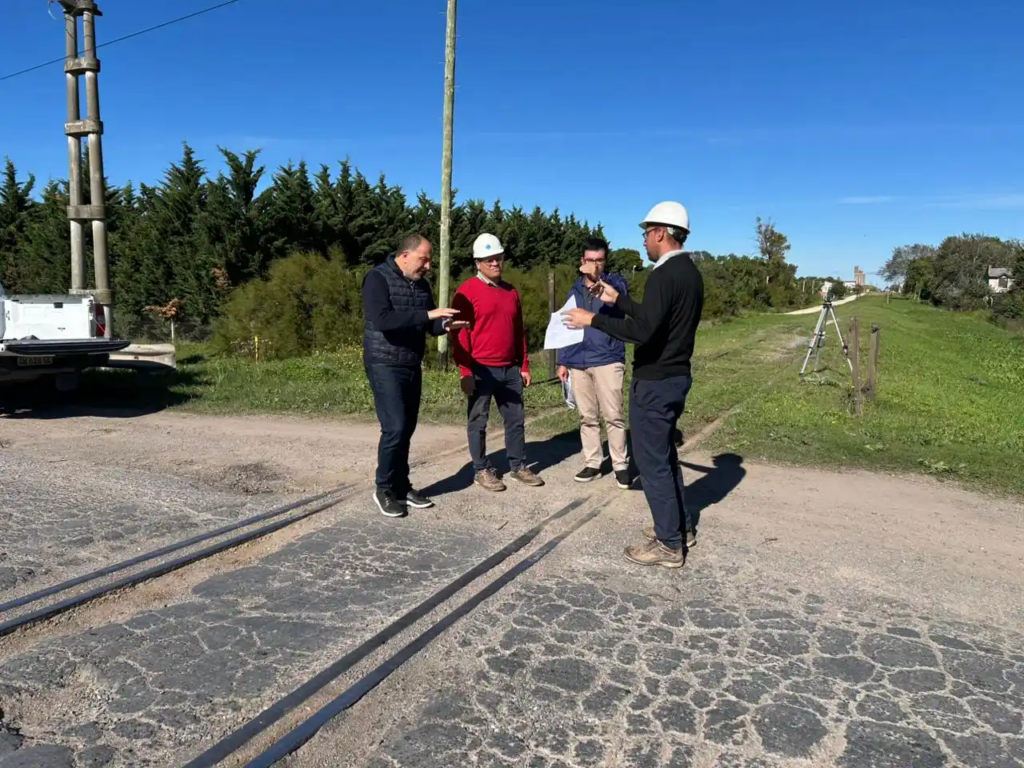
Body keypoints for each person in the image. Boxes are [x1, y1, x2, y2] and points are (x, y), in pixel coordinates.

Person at [563, 202, 703, 569]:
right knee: (665, 456)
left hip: (656, 380)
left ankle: (669, 544)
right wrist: (618, 300)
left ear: (661, 233)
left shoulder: (662, 275)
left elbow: (643, 332)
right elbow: (654, 318)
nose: (643, 241)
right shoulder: (689, 272)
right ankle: (680, 527)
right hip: (676, 376)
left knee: (652, 463)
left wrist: (593, 319)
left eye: (646, 233)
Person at [361, 233, 467, 518]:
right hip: (383, 362)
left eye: (430, 261)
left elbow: (429, 326)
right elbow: (383, 320)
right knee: (394, 427)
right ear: (405, 255)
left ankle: (401, 486)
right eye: (424, 259)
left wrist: (446, 326)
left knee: (406, 428)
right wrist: (429, 316)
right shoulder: (377, 278)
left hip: (410, 362)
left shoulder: (421, 284)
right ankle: (384, 489)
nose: (428, 266)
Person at [451, 233, 545, 492]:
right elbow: (459, 335)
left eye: (498, 258)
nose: (495, 263)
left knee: (515, 420)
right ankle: (481, 469)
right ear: (477, 263)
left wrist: (524, 365)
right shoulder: (466, 291)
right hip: (480, 370)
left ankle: (518, 466)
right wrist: (465, 371)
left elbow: (518, 331)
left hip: (509, 368)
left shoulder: (510, 291)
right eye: (488, 259)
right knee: (478, 422)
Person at [556, 237, 632, 488]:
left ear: (605, 261)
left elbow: (621, 297)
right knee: (587, 416)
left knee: (613, 415)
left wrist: (601, 281)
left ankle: (620, 464)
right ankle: (593, 462)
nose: (594, 265)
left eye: (599, 260)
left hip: (607, 359)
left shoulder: (615, 284)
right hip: (578, 360)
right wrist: (563, 361)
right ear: (582, 261)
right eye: (590, 260)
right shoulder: (574, 291)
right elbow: (567, 325)